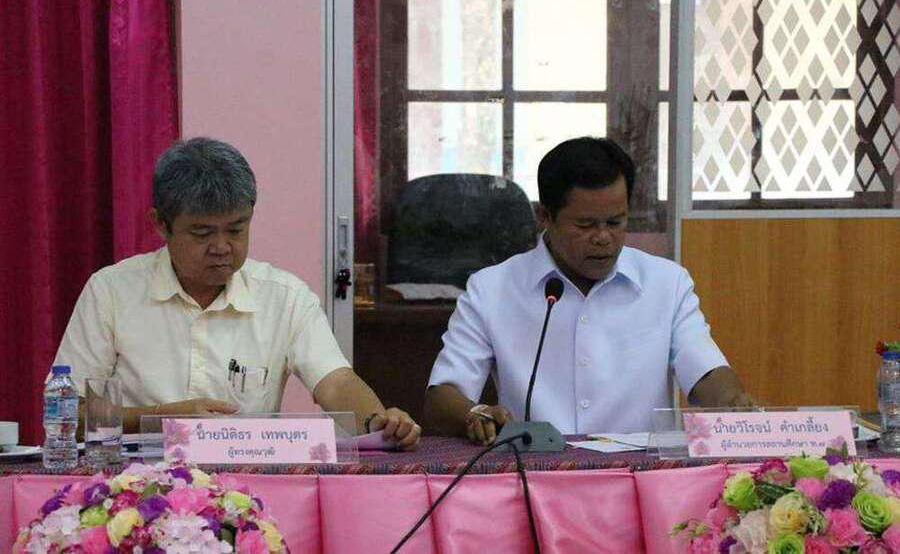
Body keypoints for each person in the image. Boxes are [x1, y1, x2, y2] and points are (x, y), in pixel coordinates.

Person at [53, 137, 420, 450]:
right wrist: (160, 418)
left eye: (236, 230)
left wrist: (377, 423)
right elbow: (68, 415)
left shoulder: (285, 296)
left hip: (249, 484)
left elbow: (335, 381)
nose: (221, 247)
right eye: (202, 233)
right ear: (161, 224)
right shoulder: (111, 291)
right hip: (137, 485)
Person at [423, 136, 753, 445]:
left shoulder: (667, 283)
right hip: (538, 473)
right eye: (585, 225)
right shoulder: (492, 289)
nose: (603, 238)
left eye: (615, 222)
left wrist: (732, 403)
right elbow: (442, 395)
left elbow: (704, 370)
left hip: (642, 473)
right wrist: (474, 414)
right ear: (545, 216)